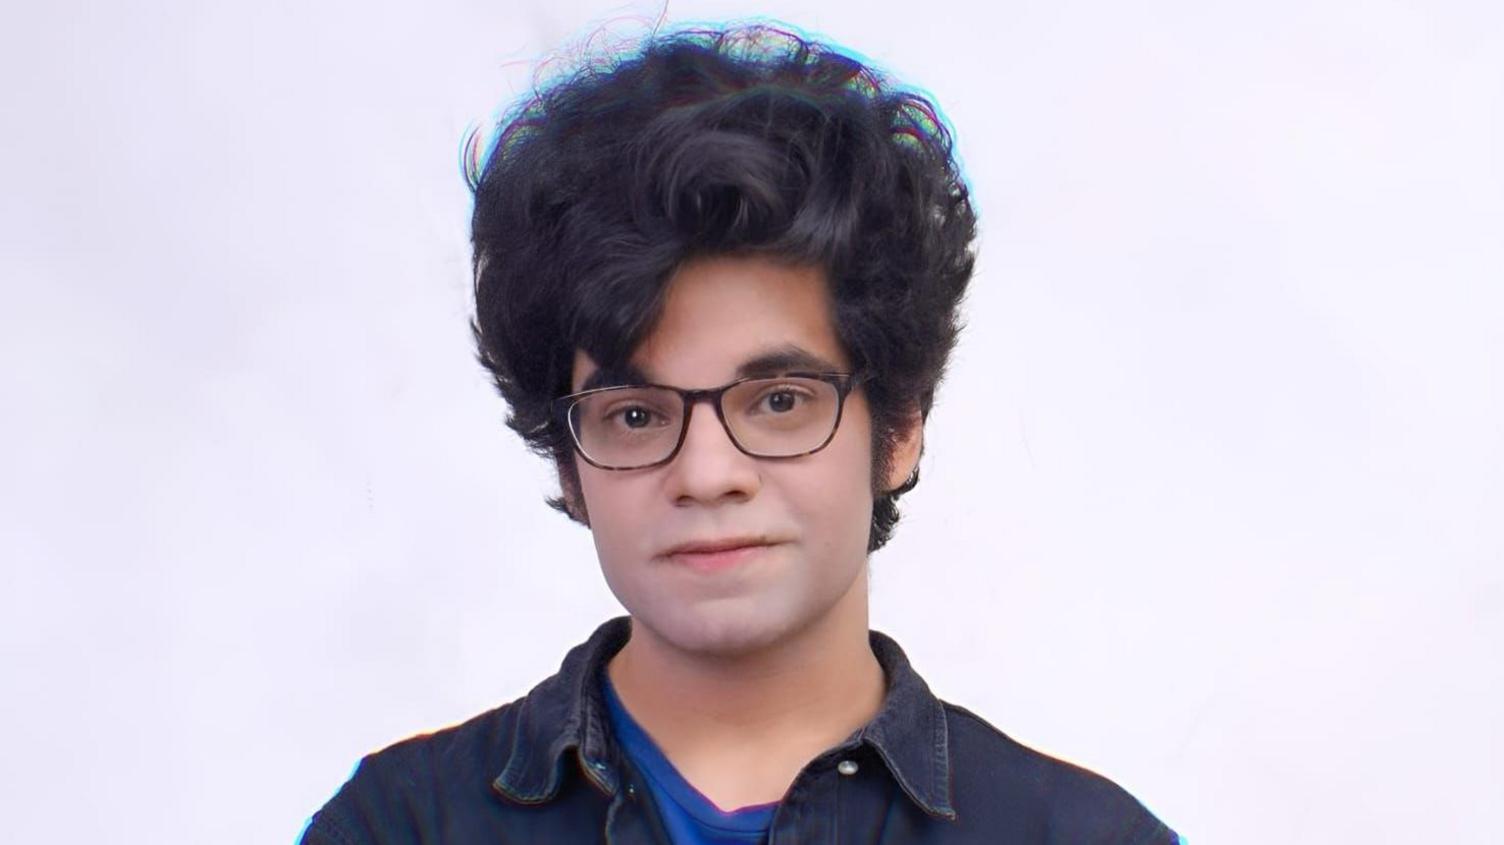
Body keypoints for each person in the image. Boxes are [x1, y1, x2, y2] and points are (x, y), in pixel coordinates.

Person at [302, 22, 1179, 844]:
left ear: (901, 428)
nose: (709, 472)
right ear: (571, 466)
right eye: (637, 415)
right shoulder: (400, 824)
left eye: (780, 401)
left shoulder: (1077, 835)